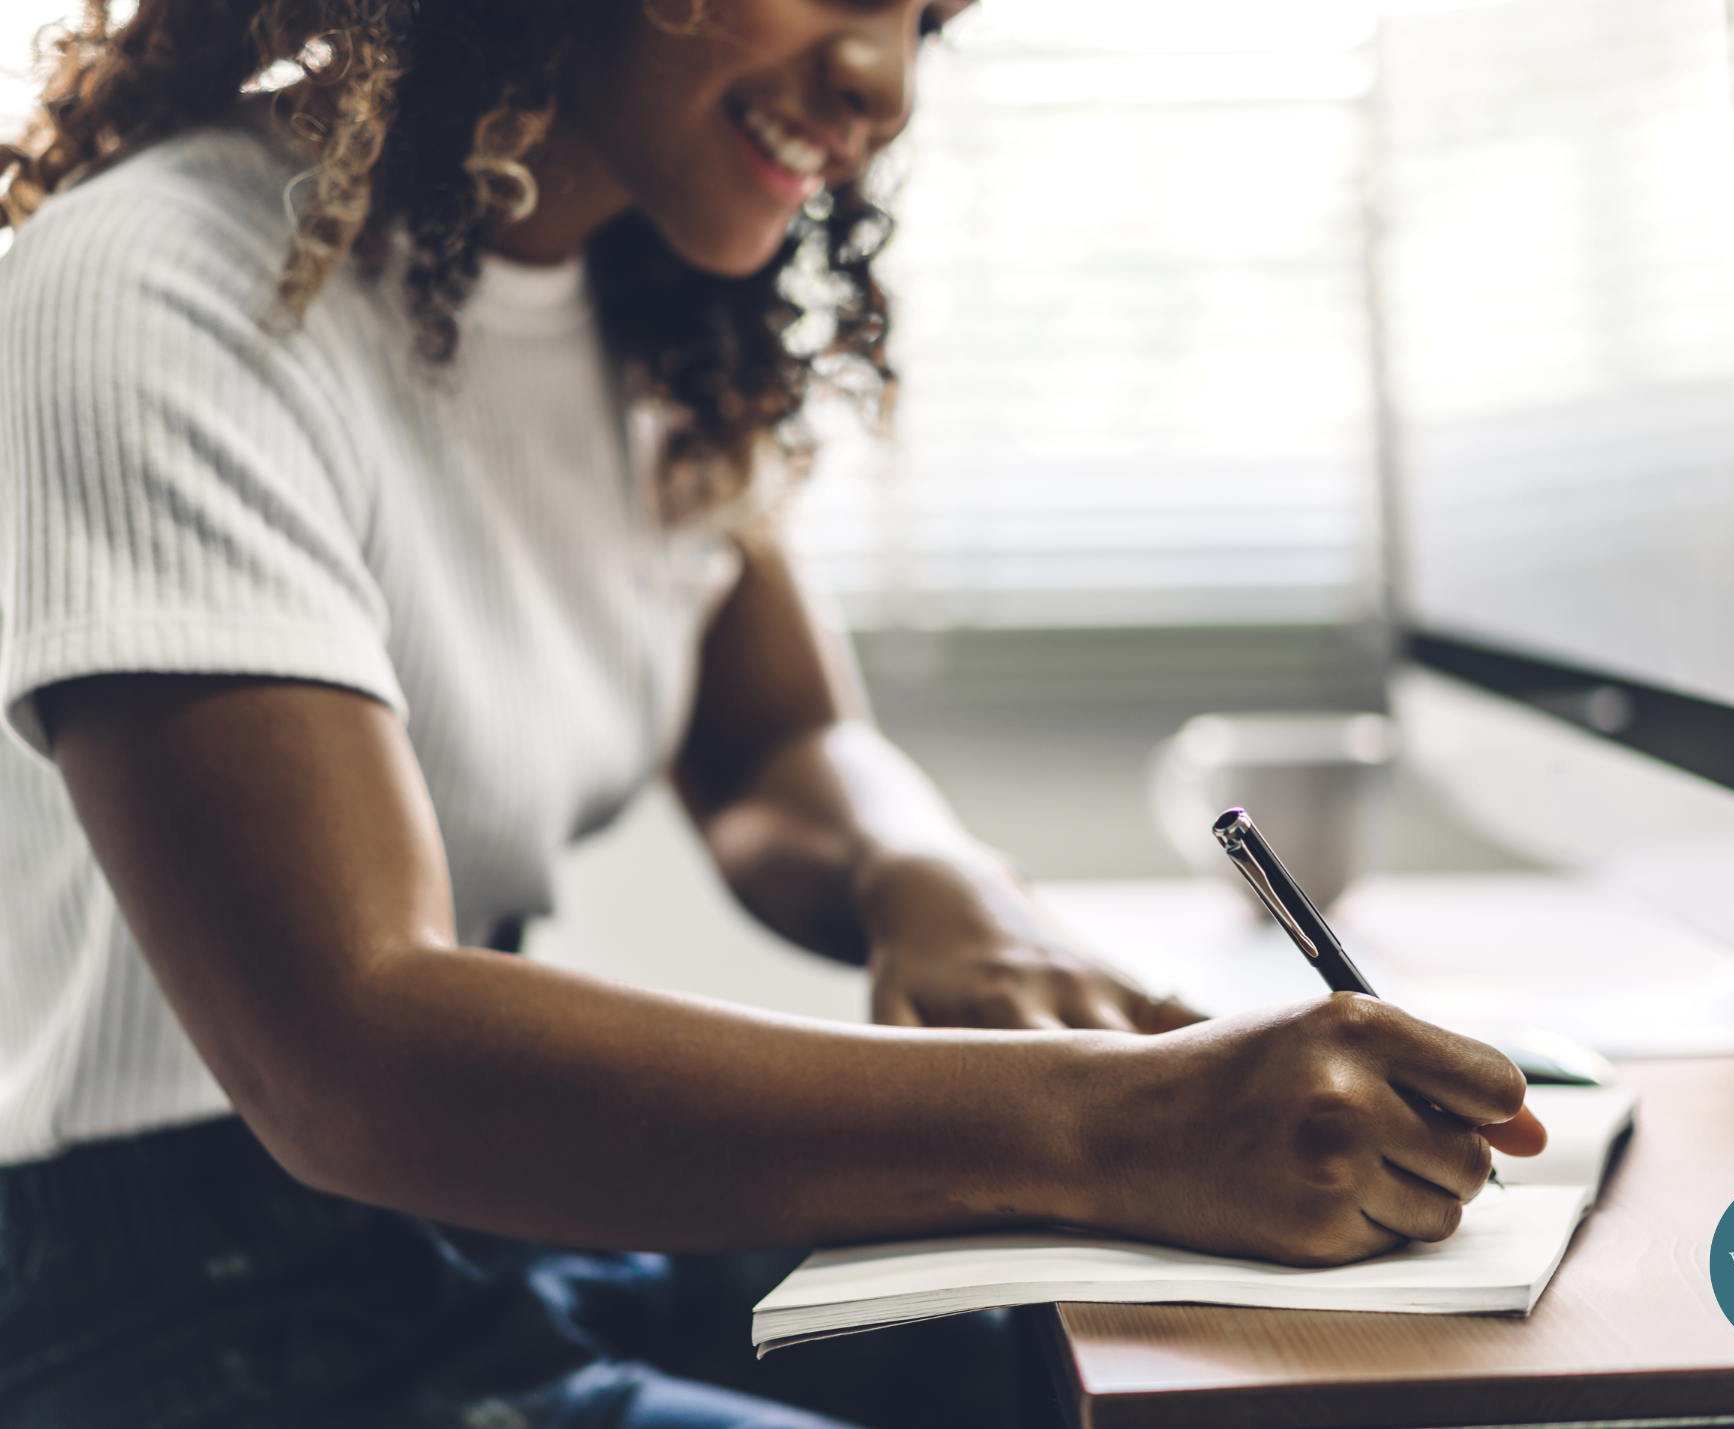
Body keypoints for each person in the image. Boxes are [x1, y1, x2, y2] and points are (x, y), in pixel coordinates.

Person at [0, 1, 1548, 1424]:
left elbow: (774, 748)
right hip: (176, 1312)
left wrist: (929, 877)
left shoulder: (640, 308)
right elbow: (349, 1056)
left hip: (488, 1221)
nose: (882, 80)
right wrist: (1111, 1125)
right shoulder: (161, 285)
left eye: (922, 16)